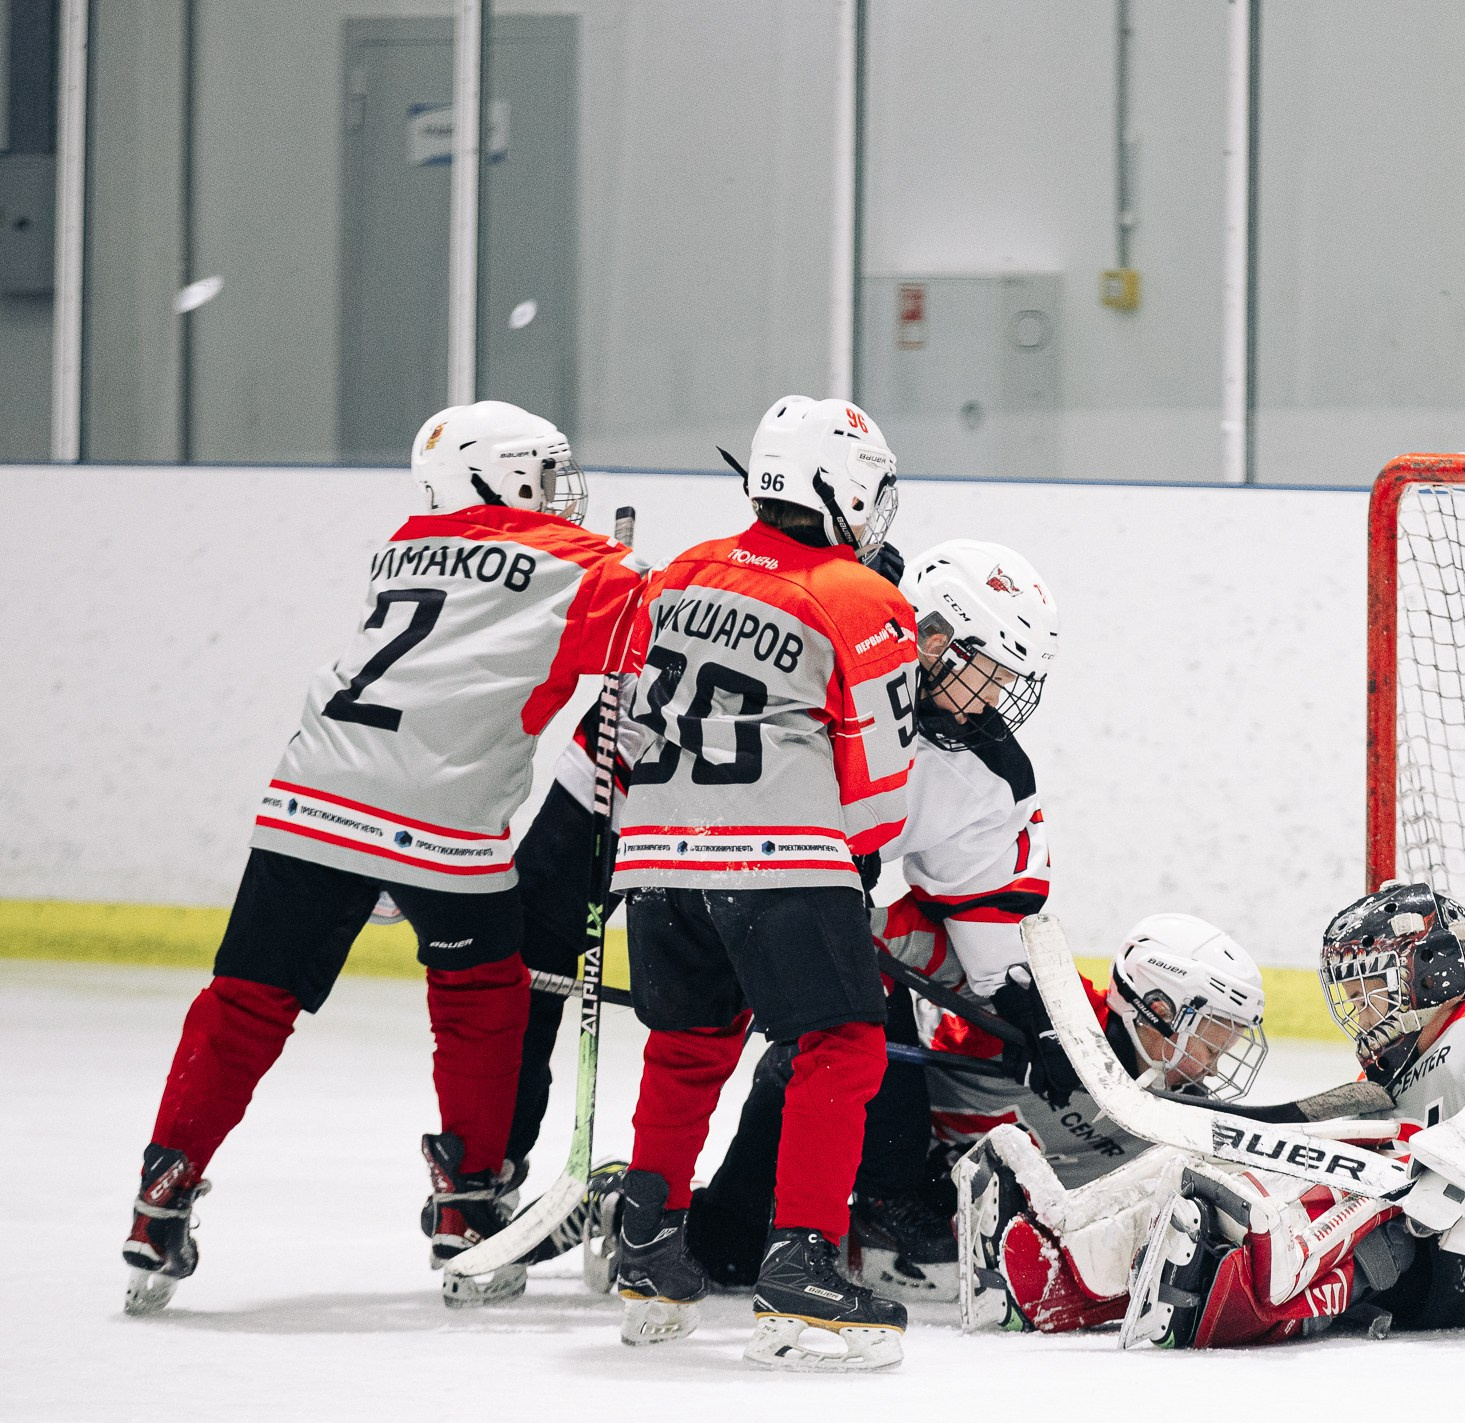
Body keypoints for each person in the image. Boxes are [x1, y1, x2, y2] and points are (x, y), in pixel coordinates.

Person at [119, 401, 642, 1315]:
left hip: (310, 788)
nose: (562, 491)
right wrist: (644, 580)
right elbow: (671, 634)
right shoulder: (580, 566)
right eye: (543, 472)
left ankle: (163, 1188)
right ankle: (467, 1203)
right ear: (498, 477)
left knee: (245, 997)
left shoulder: (402, 543)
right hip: (440, 811)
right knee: (485, 996)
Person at [600, 394, 923, 1373]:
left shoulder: (674, 575)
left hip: (654, 857)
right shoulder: (858, 596)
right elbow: (877, 800)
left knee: (689, 1044)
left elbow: (619, 736)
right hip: (779, 857)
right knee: (843, 1043)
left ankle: (649, 1250)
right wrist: (842, 866)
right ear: (836, 489)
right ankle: (802, 1268)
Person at [680, 539, 1067, 1297]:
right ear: (933, 640)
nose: (994, 702)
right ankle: (702, 1217)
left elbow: (986, 898)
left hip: (808, 894)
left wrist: (1027, 1010)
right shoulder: (824, 666)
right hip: (714, 869)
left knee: (845, 1018)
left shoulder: (987, 772)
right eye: (987, 675)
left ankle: (732, 1227)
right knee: (794, 1031)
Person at [1119, 881, 1465, 1349]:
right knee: (1326, 1176)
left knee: (1378, 1227)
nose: (1360, 1011)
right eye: (1351, 998)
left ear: (1428, 973)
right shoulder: (1391, 1072)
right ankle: (1213, 1267)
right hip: (1429, 1247)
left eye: (1367, 990)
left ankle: (1235, 1289)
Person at [943, 913, 1271, 1333]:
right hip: (903, 1167)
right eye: (1209, 1048)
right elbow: (927, 940)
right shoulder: (1051, 1006)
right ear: (1158, 1012)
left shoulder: (1174, 1111)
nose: (1212, 1069)